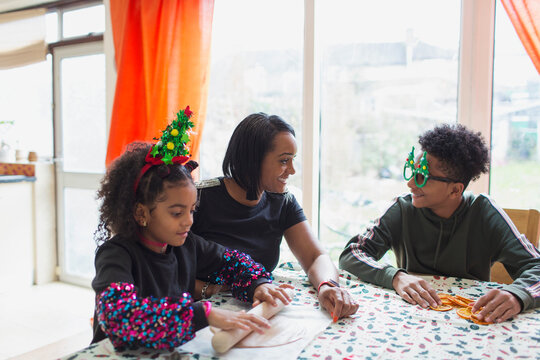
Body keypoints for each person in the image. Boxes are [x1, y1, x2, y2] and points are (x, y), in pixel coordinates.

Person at [91, 107, 292, 351]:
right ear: (141, 212)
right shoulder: (116, 255)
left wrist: (257, 284)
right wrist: (204, 313)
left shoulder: (186, 245)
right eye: (177, 213)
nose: (189, 221)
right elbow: (121, 318)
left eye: (192, 210)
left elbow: (233, 262)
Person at [339, 123, 540, 324]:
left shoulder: (484, 212)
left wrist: (517, 295)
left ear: (455, 190)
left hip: (472, 322)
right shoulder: (402, 208)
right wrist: (395, 277)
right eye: (411, 172)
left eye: (421, 177)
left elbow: (536, 267)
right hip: (412, 319)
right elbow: (352, 253)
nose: (410, 184)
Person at [191, 112, 358, 321]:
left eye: (292, 160)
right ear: (253, 159)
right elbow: (163, 265)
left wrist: (327, 286)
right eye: (284, 161)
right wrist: (211, 290)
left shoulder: (282, 201)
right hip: (202, 313)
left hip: (255, 313)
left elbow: (315, 256)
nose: (293, 170)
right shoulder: (196, 199)